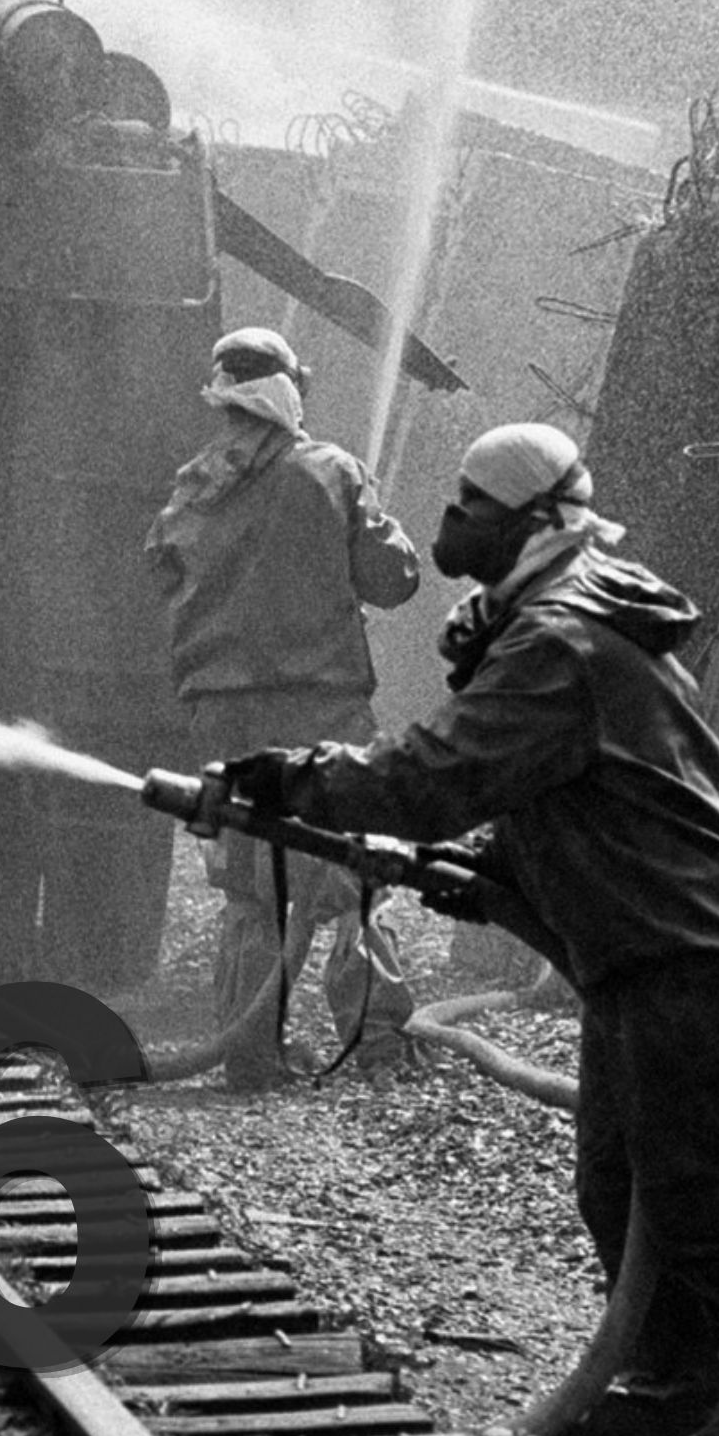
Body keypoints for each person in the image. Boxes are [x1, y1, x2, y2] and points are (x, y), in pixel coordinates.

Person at [218, 422, 719, 1436]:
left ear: (531, 522)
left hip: (685, 947)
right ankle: (669, 1386)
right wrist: (481, 870)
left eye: (470, 505)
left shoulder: (558, 638)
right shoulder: (559, 620)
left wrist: (296, 778)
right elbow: (566, 796)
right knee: (618, 1186)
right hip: (638, 944)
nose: (450, 521)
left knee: (704, 1193)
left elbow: (434, 773)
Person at [144, 325, 421, 1092]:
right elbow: (393, 580)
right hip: (320, 706)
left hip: (222, 716)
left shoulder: (190, 486)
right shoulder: (330, 470)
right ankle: (376, 1040)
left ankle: (250, 1052)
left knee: (249, 885)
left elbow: (163, 574)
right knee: (356, 866)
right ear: (290, 388)